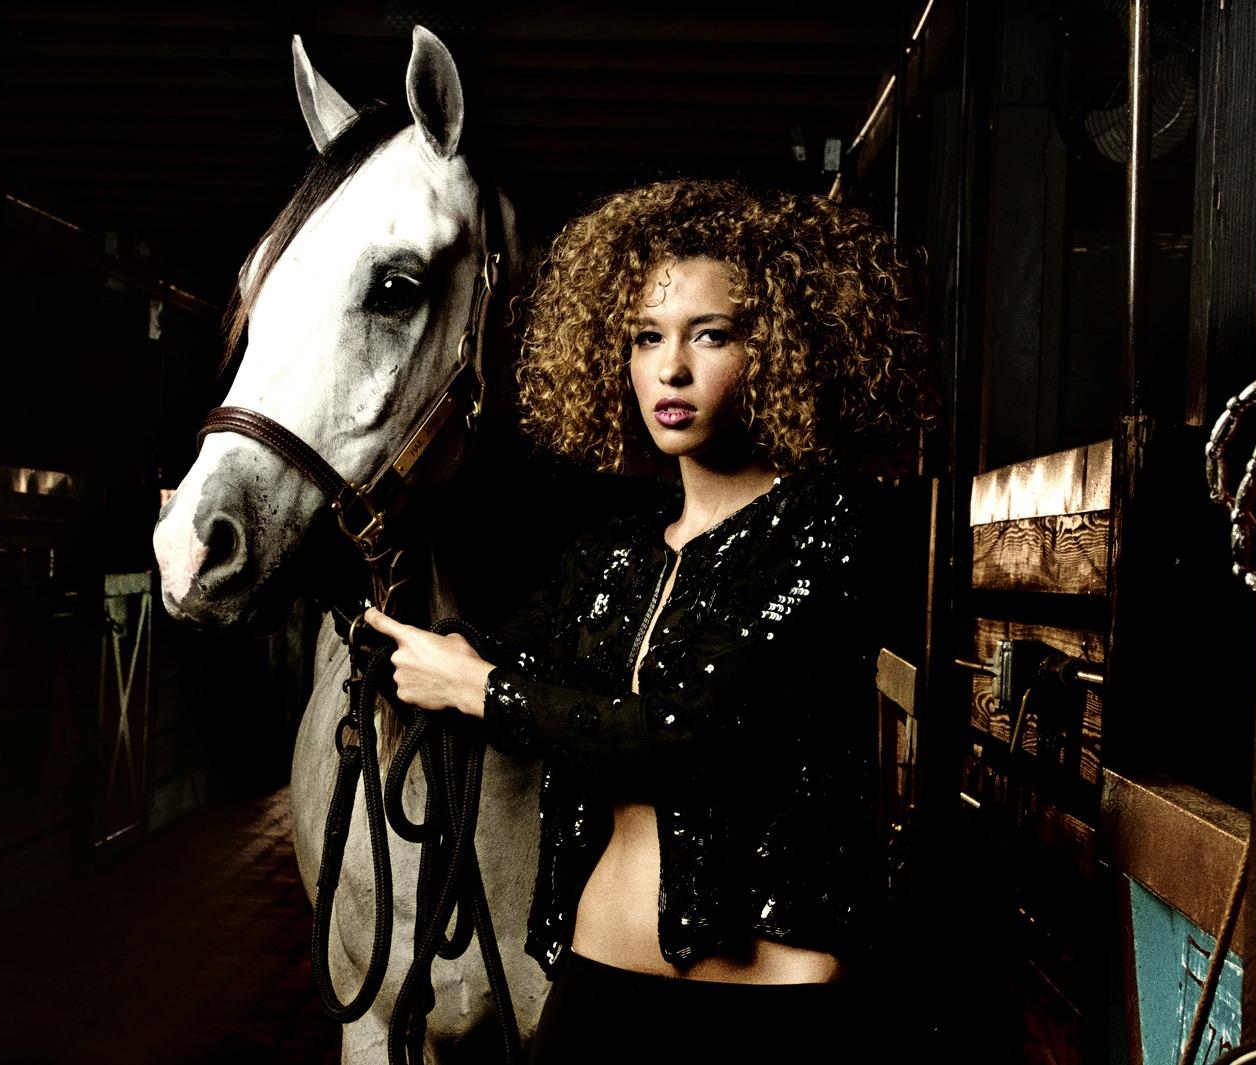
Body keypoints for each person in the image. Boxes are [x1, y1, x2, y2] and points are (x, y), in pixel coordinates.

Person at [364, 178, 935, 1062]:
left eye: (711, 335)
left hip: (771, 1008)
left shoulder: (826, 529)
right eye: (646, 337)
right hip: (599, 986)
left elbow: (684, 733)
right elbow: (504, 658)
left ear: (777, 349)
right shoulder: (616, 553)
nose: (671, 368)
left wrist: (478, 686)